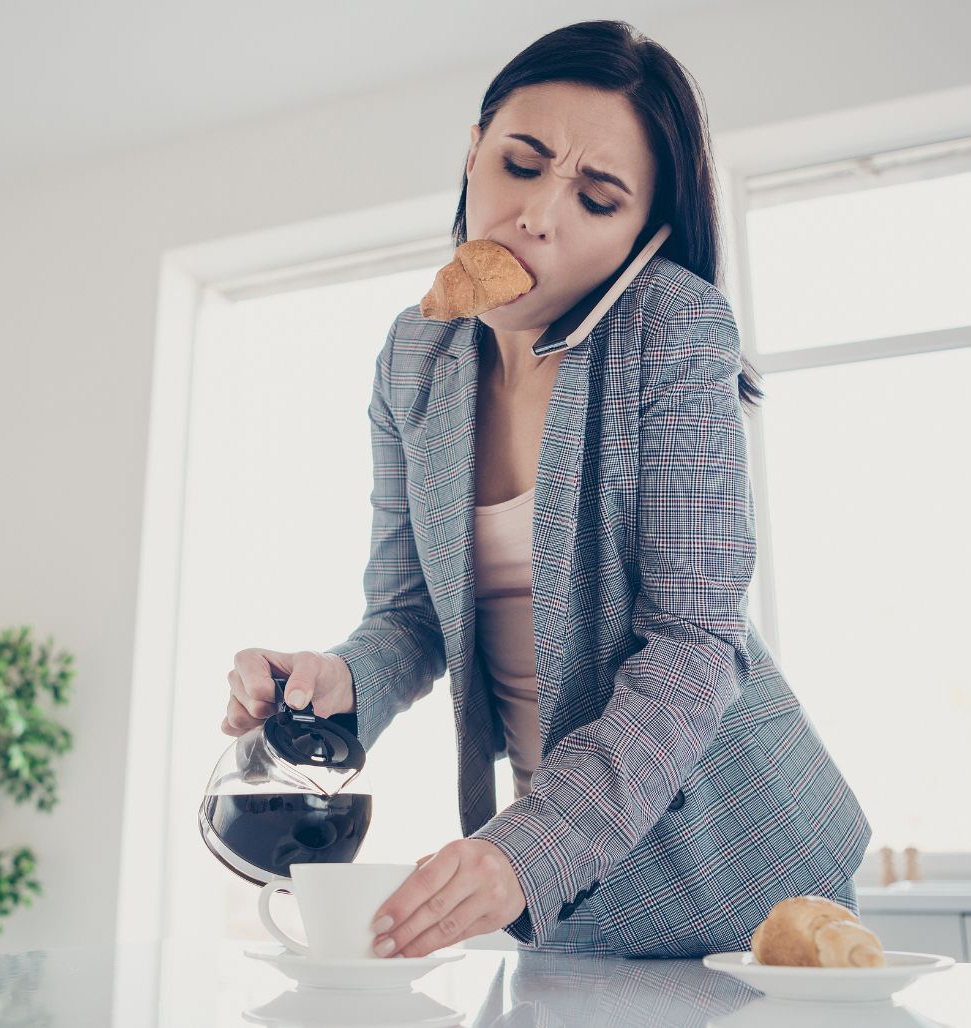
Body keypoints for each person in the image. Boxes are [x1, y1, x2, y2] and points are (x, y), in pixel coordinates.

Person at [222, 19, 870, 959]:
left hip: (744, 865)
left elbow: (696, 644)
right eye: (519, 164)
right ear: (473, 151)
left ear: (642, 235)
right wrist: (340, 681)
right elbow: (407, 615)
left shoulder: (676, 328)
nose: (537, 215)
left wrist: (530, 850)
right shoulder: (417, 356)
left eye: (596, 198)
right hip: (566, 891)